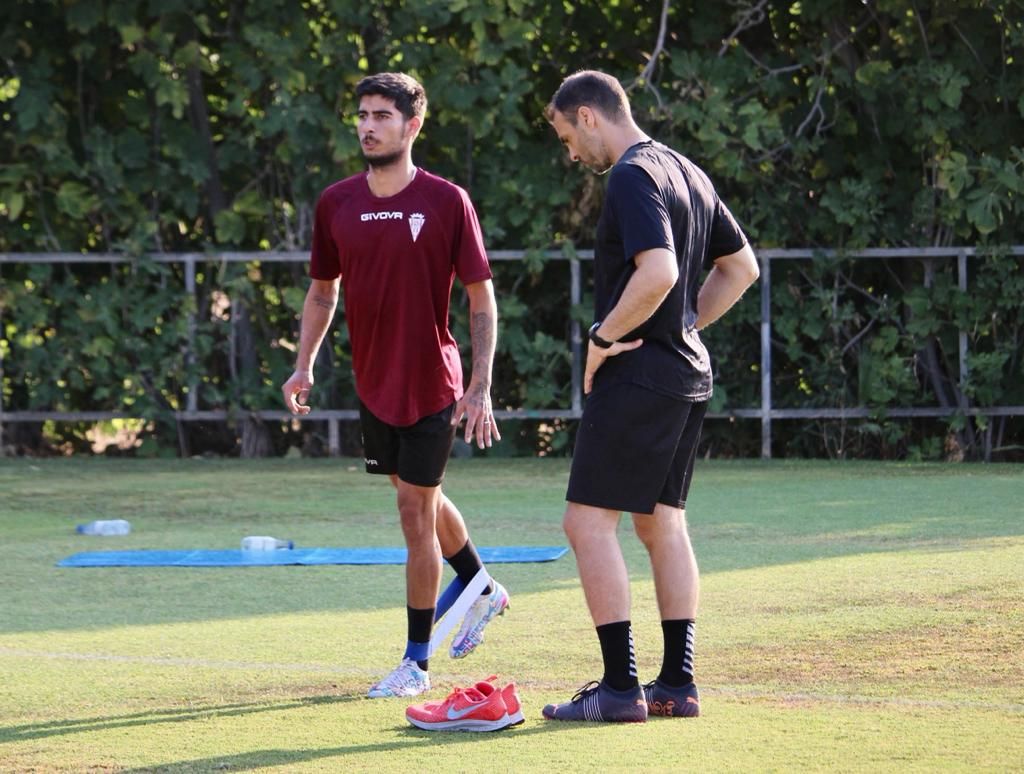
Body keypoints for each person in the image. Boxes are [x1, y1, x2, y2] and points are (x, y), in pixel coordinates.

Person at [540, 70, 760, 722]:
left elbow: (658, 269)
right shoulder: (687, 171)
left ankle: (617, 689)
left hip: (638, 374)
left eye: (566, 138)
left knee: (586, 524)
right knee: (661, 524)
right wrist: (683, 325)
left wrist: (605, 336)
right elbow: (741, 268)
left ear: (587, 115)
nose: (572, 155)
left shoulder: (633, 175)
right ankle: (677, 684)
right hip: (687, 373)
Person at [281, 72, 509, 699]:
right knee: (418, 496)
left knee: (414, 513)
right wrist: (303, 364)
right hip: (373, 382)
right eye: (361, 114)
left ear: (413, 126)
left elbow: (480, 296)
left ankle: (416, 662)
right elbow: (323, 291)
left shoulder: (446, 200)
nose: (367, 125)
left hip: (433, 380)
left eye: (382, 115)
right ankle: (482, 584)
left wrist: (481, 384)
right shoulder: (336, 203)